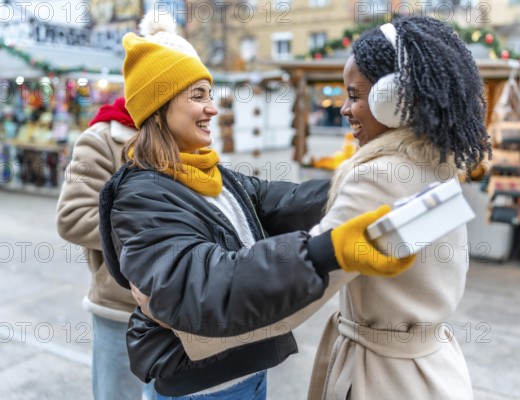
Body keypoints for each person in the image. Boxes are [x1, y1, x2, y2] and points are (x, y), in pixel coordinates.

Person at [159, 16, 489, 399]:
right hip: (432, 369)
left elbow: (303, 285)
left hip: (382, 380)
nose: (345, 108)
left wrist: (185, 323)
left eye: (354, 94)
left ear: (394, 100)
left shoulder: (380, 176)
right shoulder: (434, 164)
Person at [98, 31, 415, 399]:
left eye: (210, 95)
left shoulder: (214, 175)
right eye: (197, 95)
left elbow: (289, 201)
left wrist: (380, 177)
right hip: (200, 389)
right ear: (160, 105)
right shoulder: (141, 195)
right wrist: (322, 251)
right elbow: (202, 285)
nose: (212, 108)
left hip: (246, 372)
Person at [55, 10, 198, 400]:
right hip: (121, 310)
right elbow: (73, 218)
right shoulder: (102, 138)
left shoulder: (192, 141)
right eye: (186, 88)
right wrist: (160, 238)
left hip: (181, 310)